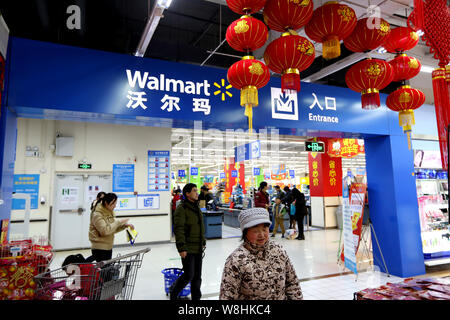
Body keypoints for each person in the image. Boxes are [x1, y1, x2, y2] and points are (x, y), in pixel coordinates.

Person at [219, 207, 302, 300]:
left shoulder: (278, 251)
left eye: (264, 229)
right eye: (255, 230)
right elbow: (227, 296)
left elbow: (292, 284)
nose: (261, 235)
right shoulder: (236, 260)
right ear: (245, 232)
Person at [171, 183, 206, 300]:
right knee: (188, 275)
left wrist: (203, 242)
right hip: (188, 247)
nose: (197, 193)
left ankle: (196, 298)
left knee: (197, 276)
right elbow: (179, 229)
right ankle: (174, 293)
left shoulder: (196, 207)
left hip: (198, 247)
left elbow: (200, 226)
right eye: (194, 191)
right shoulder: (182, 208)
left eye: (197, 190)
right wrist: (181, 247)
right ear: (187, 193)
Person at [88, 193, 134, 262]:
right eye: (113, 204)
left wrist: (124, 226)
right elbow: (105, 231)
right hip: (100, 248)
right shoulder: (97, 214)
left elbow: (111, 230)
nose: (115, 206)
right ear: (106, 203)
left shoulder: (109, 213)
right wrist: (119, 222)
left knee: (107, 270)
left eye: (115, 204)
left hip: (108, 246)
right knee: (104, 271)